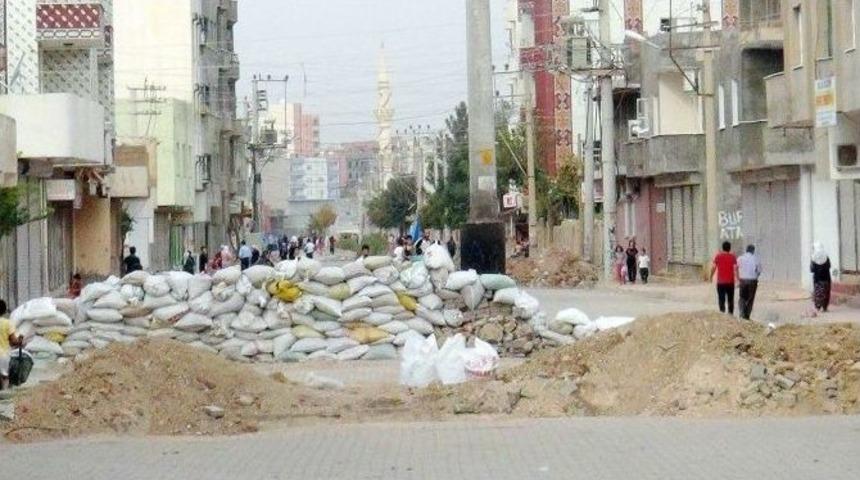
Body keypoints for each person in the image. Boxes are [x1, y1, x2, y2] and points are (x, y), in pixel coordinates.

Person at [1, 299, 25, 391]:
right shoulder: (7, 323)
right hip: (3, 356)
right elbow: (14, 341)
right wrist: (20, 340)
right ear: (4, 310)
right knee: (5, 379)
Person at [711, 241, 738, 315]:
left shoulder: (718, 256)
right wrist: (738, 279)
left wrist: (711, 276)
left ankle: (722, 313)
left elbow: (713, 267)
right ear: (729, 248)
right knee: (730, 299)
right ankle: (730, 314)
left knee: (721, 298)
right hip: (730, 282)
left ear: (722, 248)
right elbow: (735, 269)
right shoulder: (733, 257)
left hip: (721, 283)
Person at [737, 245, 763, 320]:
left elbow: (736, 267)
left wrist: (739, 277)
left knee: (742, 297)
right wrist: (756, 276)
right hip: (752, 281)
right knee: (750, 298)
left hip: (743, 280)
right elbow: (759, 271)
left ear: (746, 250)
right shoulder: (756, 259)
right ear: (753, 251)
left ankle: (742, 313)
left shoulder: (740, 258)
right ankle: (747, 315)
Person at [811, 242, 833, 313]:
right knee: (826, 292)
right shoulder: (826, 257)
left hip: (817, 279)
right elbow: (829, 266)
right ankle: (825, 308)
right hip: (826, 278)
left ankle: (818, 307)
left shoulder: (813, 257)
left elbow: (812, 269)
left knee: (818, 292)